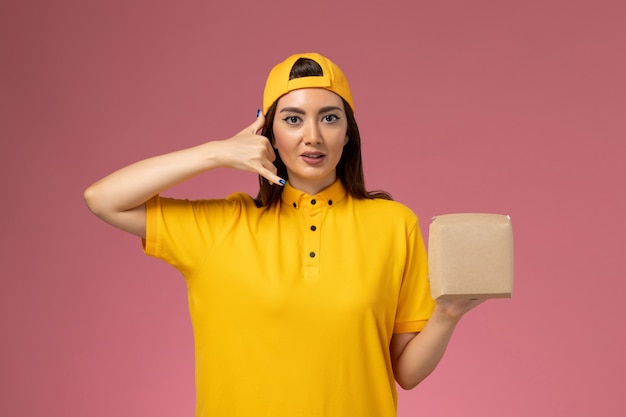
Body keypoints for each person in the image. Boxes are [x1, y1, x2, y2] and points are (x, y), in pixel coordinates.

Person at [84, 52, 483, 417]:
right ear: (269, 134)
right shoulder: (221, 226)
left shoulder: (394, 225)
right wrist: (217, 152)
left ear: (348, 134)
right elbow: (103, 199)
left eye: (329, 118)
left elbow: (406, 372)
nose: (313, 135)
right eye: (293, 119)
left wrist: (446, 316)